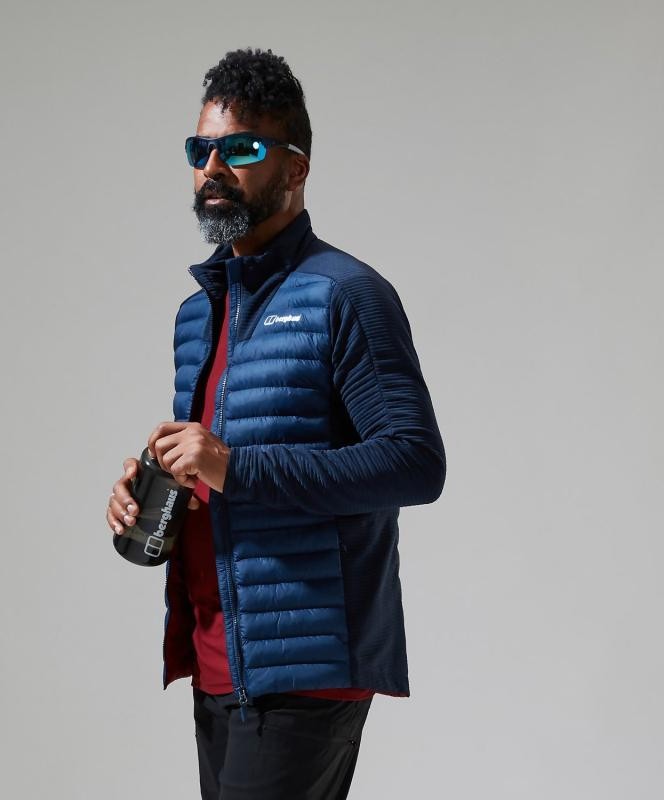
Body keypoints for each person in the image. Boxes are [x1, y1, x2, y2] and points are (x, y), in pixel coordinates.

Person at [106, 47, 446, 800]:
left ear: (296, 168)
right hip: (219, 660)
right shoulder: (198, 314)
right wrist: (155, 493)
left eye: (241, 150)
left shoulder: (347, 294)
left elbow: (415, 462)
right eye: (200, 150)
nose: (212, 168)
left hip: (308, 668)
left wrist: (234, 467)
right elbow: (219, 469)